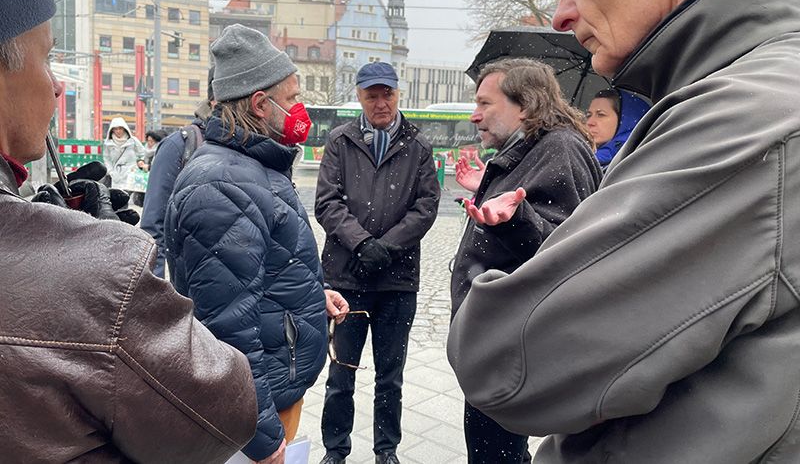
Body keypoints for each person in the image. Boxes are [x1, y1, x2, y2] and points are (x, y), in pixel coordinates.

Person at [448, 0, 800, 462]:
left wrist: (484, 269)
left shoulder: (752, 118)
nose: (563, 12)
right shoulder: (749, 92)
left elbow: (505, 366)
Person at [0, 0, 257, 461]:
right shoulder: (98, 273)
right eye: (47, 57)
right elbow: (227, 413)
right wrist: (102, 253)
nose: (56, 85)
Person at [165, 24, 349, 464]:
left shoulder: (248, 168)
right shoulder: (222, 183)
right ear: (260, 104)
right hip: (253, 412)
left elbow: (252, 274)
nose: (298, 109)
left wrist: (306, 295)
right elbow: (226, 328)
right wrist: (263, 437)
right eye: (291, 98)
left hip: (269, 389)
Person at [451, 58, 601, 463]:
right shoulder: (529, 150)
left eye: (485, 103)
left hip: (511, 347)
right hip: (497, 344)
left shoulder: (561, 148)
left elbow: (570, 254)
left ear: (526, 106)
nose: (474, 114)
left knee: (496, 455)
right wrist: (485, 184)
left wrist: (516, 220)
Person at [315, 62, 441, 464]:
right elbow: (327, 203)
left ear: (398, 94)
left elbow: (426, 205)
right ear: (360, 97)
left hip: (396, 281)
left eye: (387, 93)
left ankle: (386, 450)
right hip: (346, 279)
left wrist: (386, 247)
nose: (380, 102)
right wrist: (361, 243)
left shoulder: (418, 145)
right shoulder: (340, 141)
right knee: (341, 375)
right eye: (372, 95)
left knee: (391, 377)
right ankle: (336, 450)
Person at [140, 67, 215, 278]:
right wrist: (156, 296)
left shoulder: (257, 147)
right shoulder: (179, 145)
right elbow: (154, 228)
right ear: (214, 100)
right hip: (193, 289)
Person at [586, 87, 649, 168]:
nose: (589, 122)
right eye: (588, 115)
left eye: (601, 114)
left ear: (626, 120)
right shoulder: (589, 157)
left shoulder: (636, 164)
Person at [102, 116, 145, 190]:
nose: (118, 131)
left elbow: (143, 153)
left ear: (124, 129)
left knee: (131, 197)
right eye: (115, 129)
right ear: (112, 130)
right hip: (116, 176)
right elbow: (107, 159)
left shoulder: (133, 141)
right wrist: (111, 172)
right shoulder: (108, 144)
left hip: (132, 174)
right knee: (118, 197)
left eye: (120, 128)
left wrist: (138, 165)